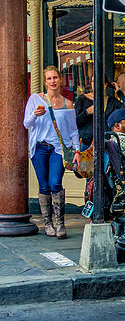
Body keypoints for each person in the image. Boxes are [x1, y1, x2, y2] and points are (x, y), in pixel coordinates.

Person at [23, 65, 78, 238]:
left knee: (55, 183)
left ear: (61, 79)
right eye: (49, 78)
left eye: (55, 77)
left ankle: (60, 223)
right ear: (45, 82)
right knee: (44, 185)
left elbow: (73, 130)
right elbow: (27, 124)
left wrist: (76, 150)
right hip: (39, 147)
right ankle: (48, 223)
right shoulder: (35, 99)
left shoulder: (68, 103)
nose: (52, 81)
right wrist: (35, 115)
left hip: (58, 149)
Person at [74, 78, 95, 150]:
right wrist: (87, 112)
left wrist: (119, 93)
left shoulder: (111, 101)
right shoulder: (82, 99)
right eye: (93, 81)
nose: (95, 83)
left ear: (105, 84)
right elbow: (75, 121)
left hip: (106, 143)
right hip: (86, 143)